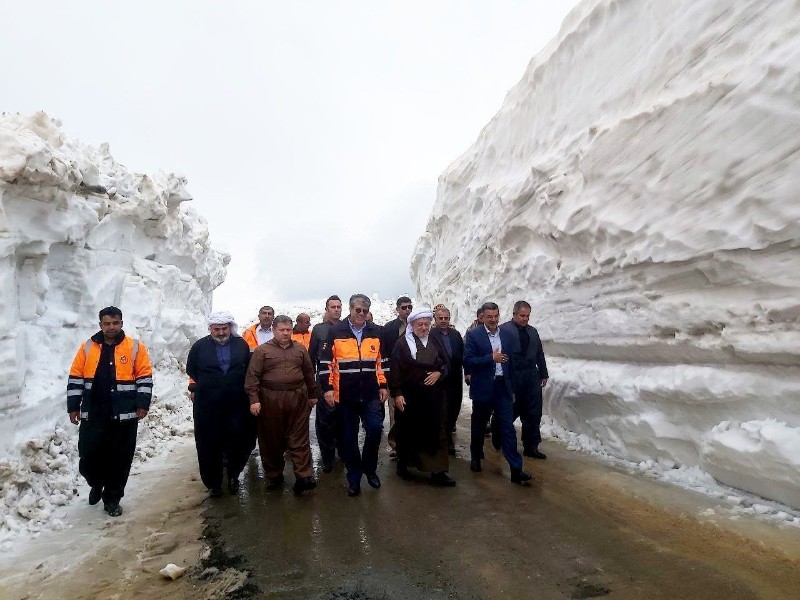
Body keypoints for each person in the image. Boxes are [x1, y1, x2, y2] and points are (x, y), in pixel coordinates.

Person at [68, 306, 152, 517]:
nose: (111, 327)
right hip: (94, 413)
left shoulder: (135, 347)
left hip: (124, 415)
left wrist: (142, 403)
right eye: (107, 323)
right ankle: (96, 483)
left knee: (120, 459)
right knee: (88, 457)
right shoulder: (87, 347)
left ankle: (112, 499)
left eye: (115, 323)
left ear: (121, 324)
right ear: (101, 325)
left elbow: (144, 377)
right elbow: (76, 377)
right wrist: (73, 406)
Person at [320, 294, 389, 497]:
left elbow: (381, 363)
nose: (361, 314)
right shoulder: (335, 331)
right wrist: (328, 389)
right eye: (357, 310)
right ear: (350, 310)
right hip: (346, 396)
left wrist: (383, 385)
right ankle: (354, 478)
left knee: (375, 430)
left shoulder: (376, 332)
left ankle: (369, 468)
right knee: (348, 438)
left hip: (370, 395)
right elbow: (325, 365)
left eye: (364, 311)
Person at [245, 315, 320, 494]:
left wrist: (312, 394)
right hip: (270, 399)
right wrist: (254, 399)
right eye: (282, 330)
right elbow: (252, 377)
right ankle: (274, 475)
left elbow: (309, 373)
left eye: (288, 330)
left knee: (300, 438)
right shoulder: (262, 351)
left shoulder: (300, 349)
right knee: (271, 439)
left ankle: (304, 476)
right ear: (274, 330)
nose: (286, 333)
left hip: (297, 399)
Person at [186, 312, 256, 497]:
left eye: (224, 328)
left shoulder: (240, 344)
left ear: (230, 328)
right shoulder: (200, 346)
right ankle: (213, 483)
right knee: (209, 442)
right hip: (207, 404)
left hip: (236, 402)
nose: (221, 332)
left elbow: (248, 368)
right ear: (210, 329)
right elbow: (191, 369)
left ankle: (233, 475)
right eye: (216, 329)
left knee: (237, 438)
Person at [463, 302, 532, 484]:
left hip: (503, 387)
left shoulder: (508, 335)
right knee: (479, 425)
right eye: (489, 317)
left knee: (507, 428)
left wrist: (513, 389)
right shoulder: (474, 335)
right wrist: (490, 358)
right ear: (482, 317)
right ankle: (476, 456)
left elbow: (512, 364)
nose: (493, 320)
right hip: (484, 387)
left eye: (495, 316)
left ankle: (516, 469)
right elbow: (468, 360)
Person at [390, 308, 455, 486]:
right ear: (412, 325)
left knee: (437, 432)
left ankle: (438, 472)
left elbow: (446, 364)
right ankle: (404, 465)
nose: (424, 328)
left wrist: (439, 374)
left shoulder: (435, 339)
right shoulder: (402, 344)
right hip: (411, 397)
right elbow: (395, 371)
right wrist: (397, 394)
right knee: (409, 432)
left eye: (427, 324)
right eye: (420, 324)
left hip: (434, 398)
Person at [500, 301, 549, 459]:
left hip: (531, 376)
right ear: (514, 314)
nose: (525, 319)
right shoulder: (503, 330)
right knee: (510, 409)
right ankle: (500, 436)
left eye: (527, 316)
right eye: (522, 316)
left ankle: (531, 446)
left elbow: (539, 353)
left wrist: (543, 373)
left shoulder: (533, 332)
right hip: (512, 375)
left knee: (533, 412)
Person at [309, 295, 343, 473]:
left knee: (344, 421)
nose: (336, 309)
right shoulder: (319, 330)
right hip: (324, 384)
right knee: (325, 423)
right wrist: (313, 388)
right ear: (327, 309)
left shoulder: (347, 328)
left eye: (339, 306)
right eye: (333, 307)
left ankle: (344, 453)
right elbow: (311, 359)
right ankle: (328, 458)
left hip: (344, 383)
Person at [382, 296, 414, 456]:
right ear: (397, 309)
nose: (407, 310)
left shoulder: (418, 325)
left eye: (409, 307)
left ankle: (412, 444)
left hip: (414, 377)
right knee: (395, 411)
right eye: (403, 307)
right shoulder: (389, 328)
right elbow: (385, 352)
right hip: (394, 377)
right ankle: (396, 445)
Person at [432, 306, 464, 455]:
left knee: (454, 408)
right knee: (440, 411)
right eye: (441, 318)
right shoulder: (431, 335)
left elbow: (463, 354)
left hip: (455, 377)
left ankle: (449, 434)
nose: (444, 321)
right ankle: (443, 441)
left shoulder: (455, 335)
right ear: (435, 319)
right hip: (439, 379)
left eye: (446, 318)